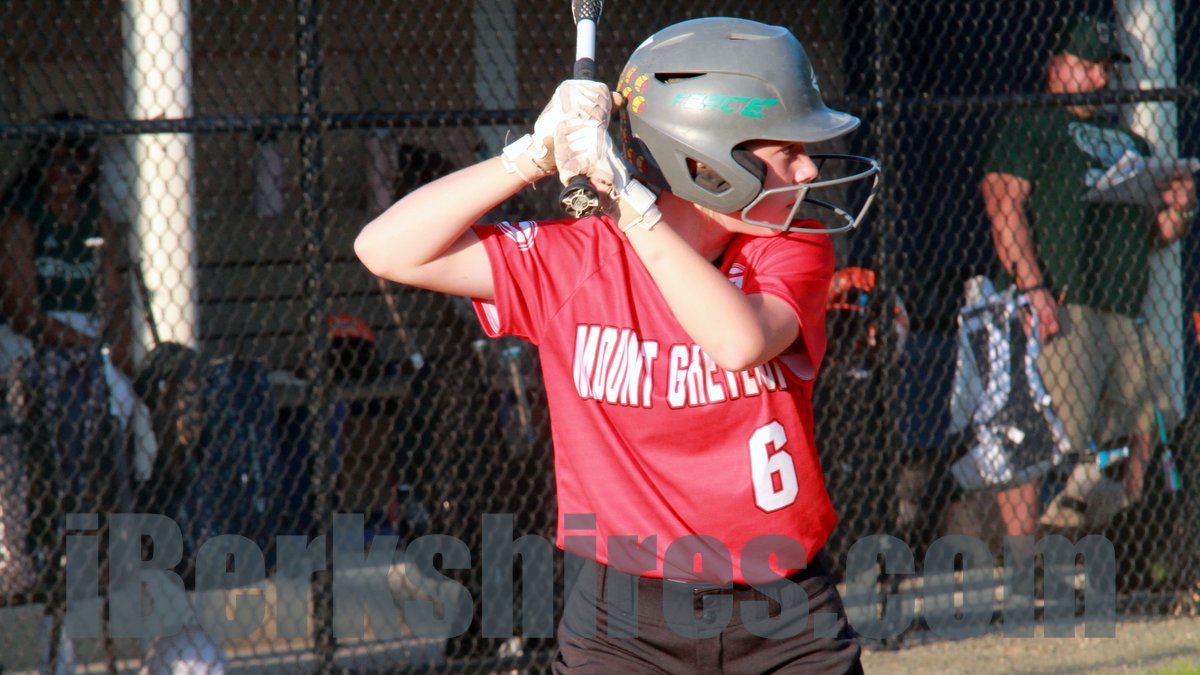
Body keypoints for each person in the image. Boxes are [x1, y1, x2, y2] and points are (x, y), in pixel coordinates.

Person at [356, 17, 878, 673]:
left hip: (785, 614)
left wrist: (632, 204)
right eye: (786, 149)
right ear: (706, 165)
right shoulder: (578, 263)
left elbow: (737, 340)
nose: (807, 167)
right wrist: (534, 153)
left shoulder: (790, 248)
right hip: (624, 624)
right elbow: (384, 248)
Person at [979, 14, 1196, 537]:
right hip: (1062, 300)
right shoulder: (1031, 124)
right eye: (1089, 64)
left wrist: (1180, 207)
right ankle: (1023, 557)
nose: (1100, 78)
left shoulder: (1133, 144)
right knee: (1039, 432)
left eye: (1107, 68)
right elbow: (1003, 203)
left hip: (1122, 307)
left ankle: (1128, 539)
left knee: (1146, 420)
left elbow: (1155, 235)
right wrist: (1034, 290)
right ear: (1056, 66)